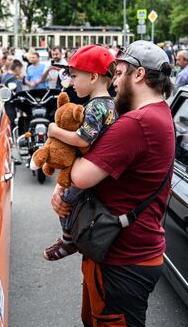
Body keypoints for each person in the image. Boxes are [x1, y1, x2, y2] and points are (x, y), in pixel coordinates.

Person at [50, 40, 174, 327]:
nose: (114, 83)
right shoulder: (157, 113)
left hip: (121, 259)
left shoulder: (136, 123)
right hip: (126, 252)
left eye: (119, 73)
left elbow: (81, 175)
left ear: (139, 75)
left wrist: (63, 179)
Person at [42, 44, 118, 261]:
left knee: (66, 198)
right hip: (94, 166)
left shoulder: (96, 107)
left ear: (93, 77)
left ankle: (68, 239)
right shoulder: (109, 104)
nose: (71, 82)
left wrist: (54, 131)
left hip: (90, 168)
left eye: (74, 76)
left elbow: (82, 138)